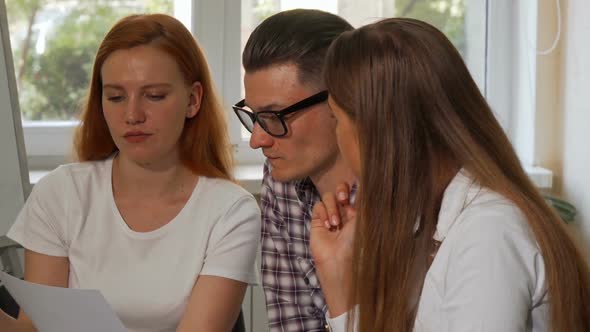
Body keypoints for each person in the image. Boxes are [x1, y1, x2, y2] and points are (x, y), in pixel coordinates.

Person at [310, 18, 590, 332]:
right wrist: (337, 277)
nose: (336, 136)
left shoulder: (488, 234)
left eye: (336, 119)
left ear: (377, 131)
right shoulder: (429, 220)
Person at [0, 13, 260, 332]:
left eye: (154, 96)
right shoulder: (60, 193)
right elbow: (35, 328)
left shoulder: (231, 212)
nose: (133, 115)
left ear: (193, 100)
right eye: (116, 97)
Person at [232, 9, 355, 331]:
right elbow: (291, 322)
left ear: (341, 101)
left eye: (275, 116)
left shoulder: (411, 190)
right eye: (255, 116)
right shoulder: (281, 177)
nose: (258, 140)